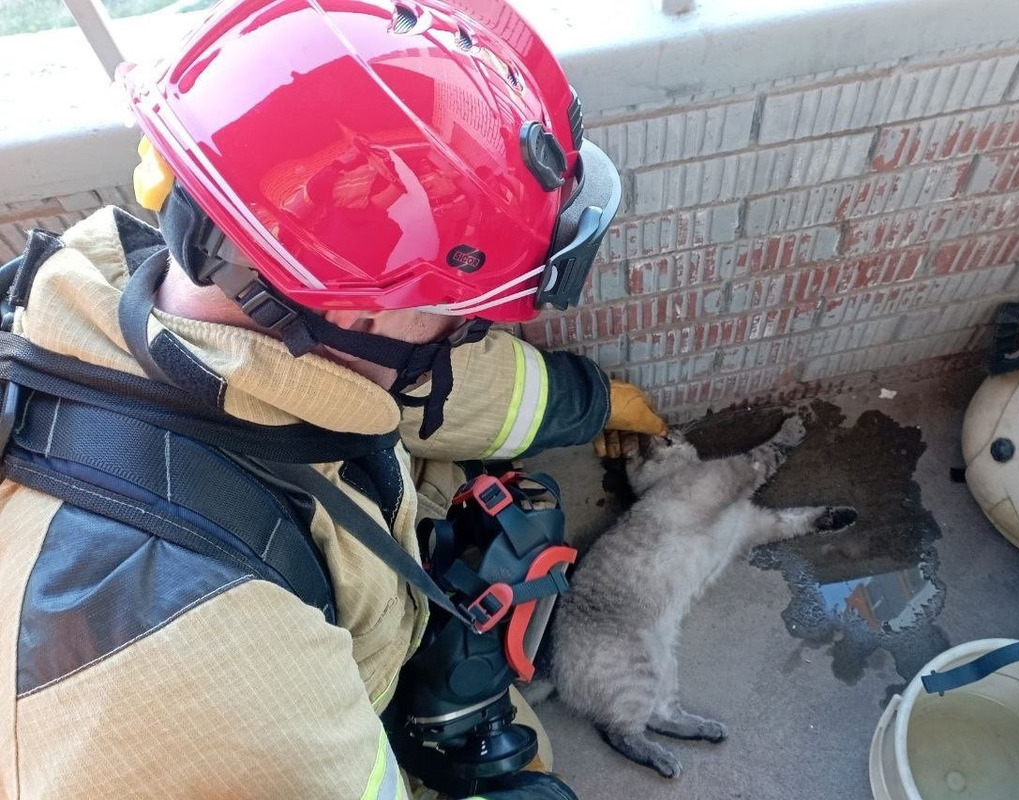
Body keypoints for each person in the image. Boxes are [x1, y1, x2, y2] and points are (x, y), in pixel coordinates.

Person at [0, 0, 665, 797]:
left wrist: (594, 401)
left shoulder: (164, 296)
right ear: (355, 313)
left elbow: (433, 390)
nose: (467, 336)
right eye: (465, 317)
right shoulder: (198, 675)